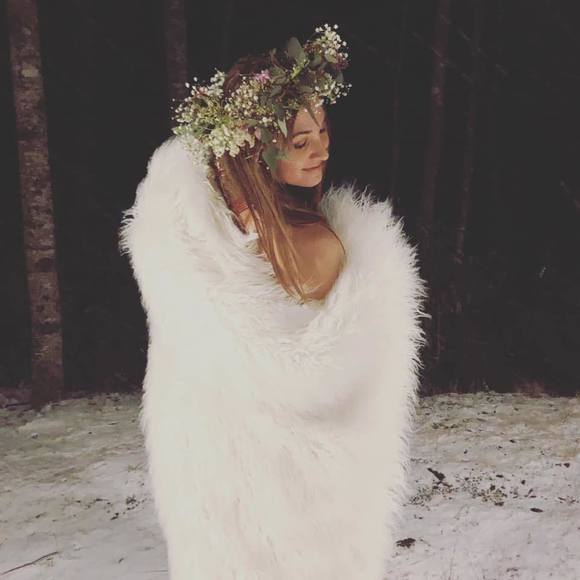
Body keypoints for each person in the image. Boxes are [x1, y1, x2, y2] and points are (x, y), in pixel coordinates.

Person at [120, 23, 428, 580]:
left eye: (323, 132)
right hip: (256, 483)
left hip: (220, 486)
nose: (322, 151)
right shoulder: (308, 248)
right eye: (301, 142)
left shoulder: (195, 244)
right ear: (254, 150)